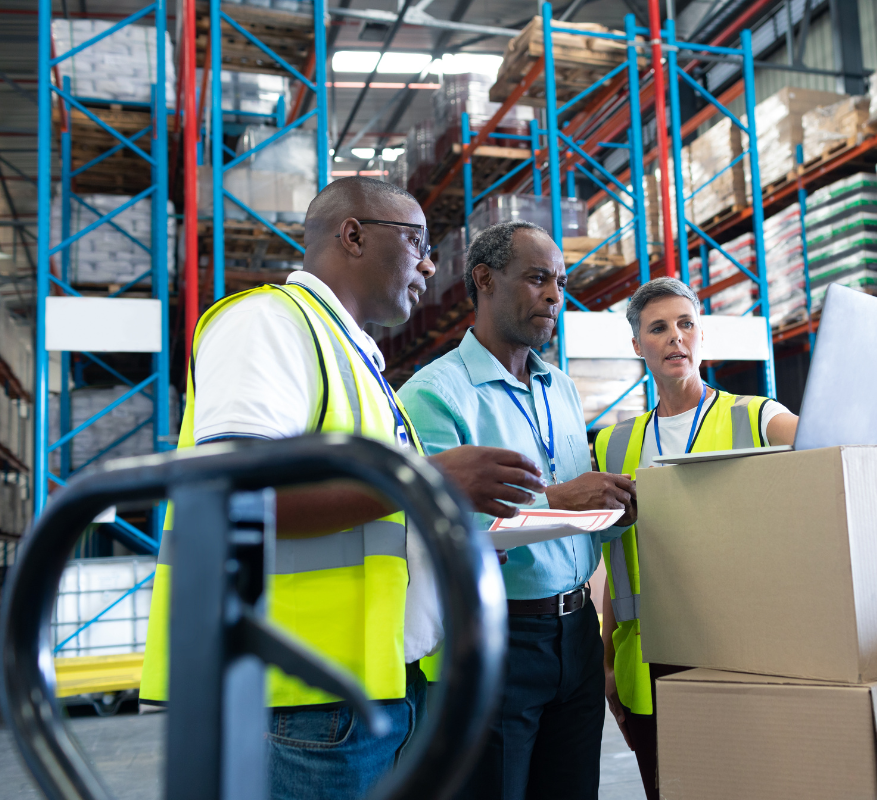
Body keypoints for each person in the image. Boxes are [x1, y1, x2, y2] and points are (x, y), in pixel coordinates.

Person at [140, 178, 547, 800]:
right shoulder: (269, 323)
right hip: (295, 697)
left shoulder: (358, 361)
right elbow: (231, 497)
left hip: (365, 688)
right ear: (352, 235)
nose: (431, 264)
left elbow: (374, 518)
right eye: (417, 241)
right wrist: (430, 480)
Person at [398, 220, 636, 800]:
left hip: (576, 633)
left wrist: (607, 510)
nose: (555, 295)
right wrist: (558, 499)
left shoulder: (560, 387)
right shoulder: (433, 395)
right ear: (484, 280)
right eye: (537, 279)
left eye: (559, 281)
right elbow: (437, 532)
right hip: (493, 637)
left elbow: (574, 508)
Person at [595, 277, 799, 800]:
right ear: (637, 346)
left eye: (686, 325)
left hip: (734, 654)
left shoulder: (754, 415)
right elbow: (616, 560)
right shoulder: (613, 445)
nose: (675, 338)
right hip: (645, 661)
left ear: (702, 337)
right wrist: (607, 664)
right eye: (658, 328)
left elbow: (819, 441)